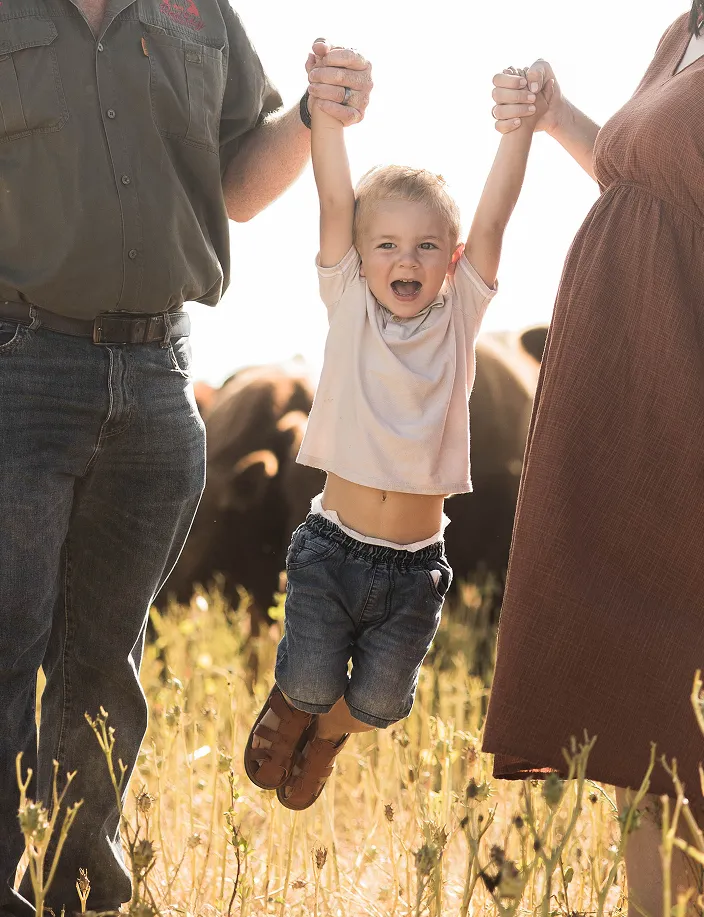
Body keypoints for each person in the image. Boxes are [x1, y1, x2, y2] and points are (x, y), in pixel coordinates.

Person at [0, 8, 372, 915]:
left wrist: (315, 117)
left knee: (105, 665)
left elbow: (238, 181)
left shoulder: (200, 12)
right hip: (19, 363)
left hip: (161, 379)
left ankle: (79, 888)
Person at [243, 44, 547, 811]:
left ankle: (332, 731)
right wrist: (329, 118)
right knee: (308, 677)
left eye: (423, 247)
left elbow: (495, 217)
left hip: (416, 566)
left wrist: (518, 132)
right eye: (385, 244)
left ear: (451, 263)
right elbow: (333, 198)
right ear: (360, 254)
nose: (402, 259)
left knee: (383, 704)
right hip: (332, 547)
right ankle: (296, 704)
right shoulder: (348, 304)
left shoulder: (459, 319)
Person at [481, 3, 704, 913]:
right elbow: (648, 183)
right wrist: (559, 112)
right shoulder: (682, 32)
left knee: (667, 660)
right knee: (633, 681)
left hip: (679, 380)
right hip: (619, 387)